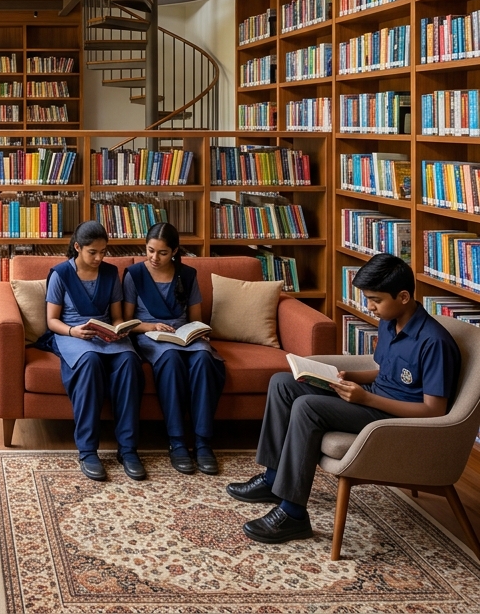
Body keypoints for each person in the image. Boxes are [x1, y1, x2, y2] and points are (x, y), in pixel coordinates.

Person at [227, 253, 461, 544]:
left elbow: (434, 410)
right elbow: (382, 371)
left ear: (403, 296)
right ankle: (273, 478)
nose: (369, 307)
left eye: (375, 300)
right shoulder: (391, 321)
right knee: (283, 382)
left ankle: (293, 514)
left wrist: (365, 399)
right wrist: (346, 375)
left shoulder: (434, 342)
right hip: (372, 399)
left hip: (395, 418)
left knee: (307, 407)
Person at [44, 221, 146, 482]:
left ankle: (128, 449)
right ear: (77, 247)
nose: (99, 257)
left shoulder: (111, 273)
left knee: (129, 361)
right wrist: (73, 331)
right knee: (89, 362)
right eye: (93, 252)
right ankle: (88, 451)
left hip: (103, 335)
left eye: (104, 252)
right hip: (72, 334)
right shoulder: (60, 274)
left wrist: (118, 329)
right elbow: (52, 320)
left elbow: (115, 316)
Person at [122, 222, 224, 475]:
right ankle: (177, 442)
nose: (154, 258)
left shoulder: (187, 275)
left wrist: (198, 333)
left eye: (162, 253)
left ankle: (202, 442)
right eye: (150, 250)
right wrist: (149, 326)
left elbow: (196, 318)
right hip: (151, 336)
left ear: (175, 251)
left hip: (183, 334)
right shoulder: (133, 274)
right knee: (170, 359)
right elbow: (126, 323)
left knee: (203, 358)